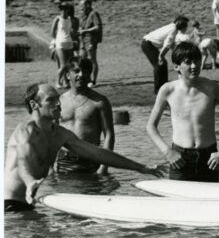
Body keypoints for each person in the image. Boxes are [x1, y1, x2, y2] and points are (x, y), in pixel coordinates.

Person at [5, 83, 163, 212]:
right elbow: (22, 160)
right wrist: (30, 182)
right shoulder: (26, 130)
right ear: (34, 104)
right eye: (51, 100)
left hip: (28, 204)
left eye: (58, 99)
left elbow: (98, 153)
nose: (58, 103)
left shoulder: (60, 134)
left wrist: (140, 167)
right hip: (8, 206)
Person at [146, 42, 219, 182]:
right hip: (179, 158)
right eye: (188, 62)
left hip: (209, 158)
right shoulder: (168, 90)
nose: (194, 66)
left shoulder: (212, 87)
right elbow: (150, 126)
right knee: (177, 203)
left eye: (197, 61)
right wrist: (168, 152)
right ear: (176, 66)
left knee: (210, 203)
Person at [55, 57, 114, 175]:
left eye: (85, 71)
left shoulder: (100, 101)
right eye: (76, 71)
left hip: (91, 160)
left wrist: (104, 166)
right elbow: (53, 134)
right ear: (67, 75)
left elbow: (109, 134)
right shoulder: (59, 101)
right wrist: (51, 165)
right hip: (64, 162)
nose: (81, 75)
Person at [141, 15, 190, 95]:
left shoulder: (172, 27)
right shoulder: (173, 29)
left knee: (163, 64)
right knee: (158, 65)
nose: (186, 28)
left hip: (148, 44)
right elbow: (167, 45)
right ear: (181, 25)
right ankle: (158, 90)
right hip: (148, 44)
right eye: (185, 26)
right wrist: (161, 56)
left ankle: (164, 86)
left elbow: (172, 44)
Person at [50, 3, 77, 89]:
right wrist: (53, 43)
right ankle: (57, 82)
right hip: (60, 44)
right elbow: (52, 32)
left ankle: (66, 82)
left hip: (69, 43)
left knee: (69, 64)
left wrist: (74, 35)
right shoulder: (57, 19)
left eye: (65, 9)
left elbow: (71, 31)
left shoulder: (70, 19)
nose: (63, 11)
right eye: (62, 9)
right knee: (63, 65)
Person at [78, 0, 102, 87]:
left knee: (92, 59)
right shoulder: (84, 15)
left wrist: (85, 30)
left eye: (82, 5)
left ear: (88, 5)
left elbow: (97, 27)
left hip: (90, 39)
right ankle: (86, 78)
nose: (80, 7)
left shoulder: (94, 13)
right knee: (81, 59)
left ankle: (93, 80)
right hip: (83, 39)